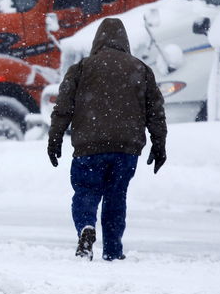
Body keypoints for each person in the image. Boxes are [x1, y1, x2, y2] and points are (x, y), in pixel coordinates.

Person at [47, 17, 167, 261]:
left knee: (86, 192)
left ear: (97, 41)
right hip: (126, 148)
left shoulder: (81, 68)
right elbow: (155, 112)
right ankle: (113, 250)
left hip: (89, 145)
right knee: (116, 196)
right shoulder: (141, 69)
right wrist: (159, 144)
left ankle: (86, 228)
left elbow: (63, 108)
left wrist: (55, 139)